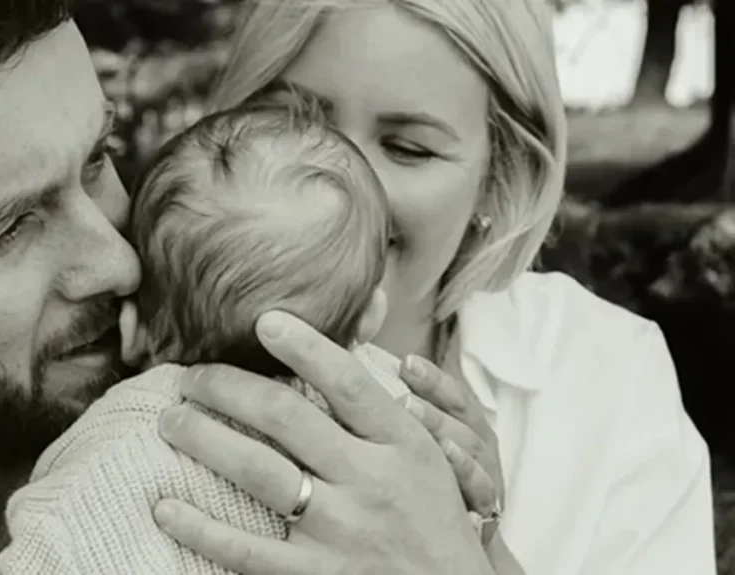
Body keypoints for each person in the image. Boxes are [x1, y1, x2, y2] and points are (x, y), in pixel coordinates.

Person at [0, 2, 521, 575]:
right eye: (8, 229)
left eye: (99, 160)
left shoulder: (338, 445)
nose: (119, 262)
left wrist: (469, 547)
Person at [155, 0, 713, 573]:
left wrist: (465, 554)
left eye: (408, 149)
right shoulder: (133, 341)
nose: (341, 184)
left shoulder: (606, 374)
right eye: (294, 126)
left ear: (499, 177)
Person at [0, 95, 424, 574]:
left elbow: (59, 551)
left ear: (133, 328)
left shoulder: (125, 445)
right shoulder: (401, 419)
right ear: (370, 315)